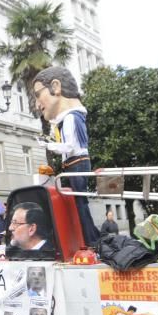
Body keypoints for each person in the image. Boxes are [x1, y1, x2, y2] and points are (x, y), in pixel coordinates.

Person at [32, 65, 99, 245]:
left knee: (80, 204)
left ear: (56, 87)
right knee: (78, 204)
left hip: (76, 163)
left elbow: (70, 146)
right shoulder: (70, 117)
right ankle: (89, 239)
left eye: (38, 94)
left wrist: (49, 145)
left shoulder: (71, 118)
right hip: (74, 163)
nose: (38, 104)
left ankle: (91, 240)